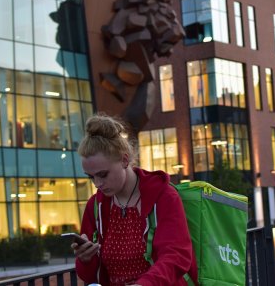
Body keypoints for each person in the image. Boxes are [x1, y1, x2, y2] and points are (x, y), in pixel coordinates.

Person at [72, 113, 197, 286]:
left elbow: (176, 256)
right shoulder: (95, 206)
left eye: (103, 174)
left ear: (124, 160)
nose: (97, 184)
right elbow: (89, 275)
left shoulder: (164, 196)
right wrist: (85, 259)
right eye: (91, 177)